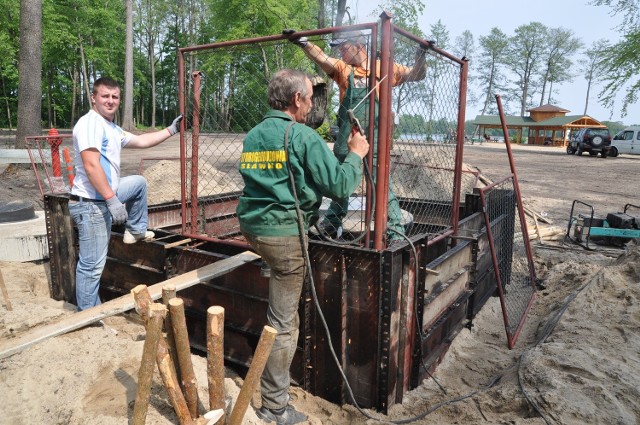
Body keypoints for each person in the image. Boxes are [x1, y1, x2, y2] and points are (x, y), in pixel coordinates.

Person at [236, 69, 369, 424]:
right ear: (297, 99)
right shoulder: (303, 136)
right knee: (283, 324)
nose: (312, 105)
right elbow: (340, 185)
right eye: (310, 97)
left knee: (277, 265)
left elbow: (275, 178)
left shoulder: (253, 135)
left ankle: (273, 265)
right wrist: (356, 153)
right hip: (283, 236)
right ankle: (274, 408)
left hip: (253, 227)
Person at [288, 29, 427, 243]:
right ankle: (332, 223)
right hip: (348, 139)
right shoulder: (344, 70)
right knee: (341, 180)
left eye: (344, 49)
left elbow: (417, 74)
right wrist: (303, 42)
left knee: (382, 184)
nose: (341, 54)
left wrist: (421, 55)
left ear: (358, 47)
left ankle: (394, 231)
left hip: (377, 139)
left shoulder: (386, 69)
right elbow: (323, 58)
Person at [68, 76, 182, 311]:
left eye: (114, 97)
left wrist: (171, 130)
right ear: (94, 98)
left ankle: (135, 231)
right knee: (91, 266)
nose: (110, 101)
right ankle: (88, 317)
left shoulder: (110, 127)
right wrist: (112, 200)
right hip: (91, 204)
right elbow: (91, 165)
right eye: (105, 96)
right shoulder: (90, 124)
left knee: (138, 182)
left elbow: (141, 140)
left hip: (103, 196)